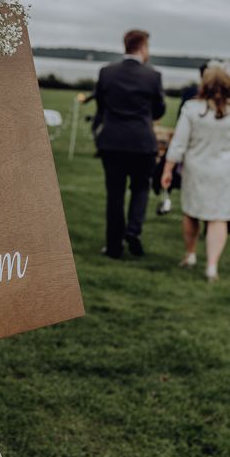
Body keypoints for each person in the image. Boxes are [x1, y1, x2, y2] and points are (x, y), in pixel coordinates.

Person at [94, 30, 166, 258]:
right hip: (141, 143)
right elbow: (158, 110)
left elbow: (101, 106)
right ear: (143, 46)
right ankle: (133, 231)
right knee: (141, 188)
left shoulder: (106, 72)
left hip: (112, 142)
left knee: (114, 194)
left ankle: (114, 246)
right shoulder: (153, 76)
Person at [161, 62, 230, 282]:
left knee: (191, 212)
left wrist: (168, 168)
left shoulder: (192, 109)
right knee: (218, 216)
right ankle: (211, 266)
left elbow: (179, 143)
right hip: (224, 171)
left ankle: (191, 254)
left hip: (195, 168)